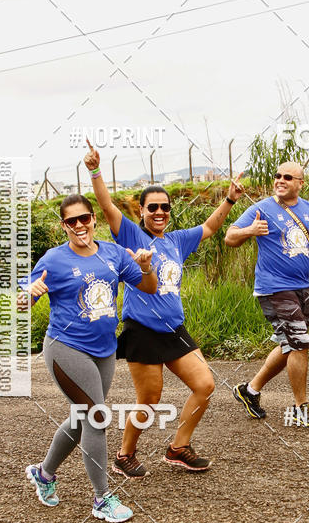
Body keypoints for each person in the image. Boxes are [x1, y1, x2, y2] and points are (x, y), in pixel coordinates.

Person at [84, 141, 245, 476]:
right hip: (142, 329)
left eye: (165, 208)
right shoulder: (130, 235)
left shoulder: (176, 241)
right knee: (150, 400)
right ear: (141, 211)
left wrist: (229, 198)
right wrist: (95, 170)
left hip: (175, 328)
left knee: (205, 385)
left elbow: (211, 227)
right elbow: (105, 205)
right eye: (152, 207)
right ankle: (125, 454)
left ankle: (178, 447)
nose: (159, 213)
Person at [20, 194, 157, 523]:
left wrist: (145, 267)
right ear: (64, 225)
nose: (79, 225)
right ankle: (101, 499)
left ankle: (44, 473)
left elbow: (150, 287)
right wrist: (29, 297)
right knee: (97, 417)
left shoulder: (112, 252)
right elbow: (21, 302)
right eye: (71, 221)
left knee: (82, 417)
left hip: (105, 350)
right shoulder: (53, 260)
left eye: (84, 218)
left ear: (93, 219)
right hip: (65, 348)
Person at [225, 162, 309, 426]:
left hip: (300, 288)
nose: (280, 180)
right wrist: (250, 231)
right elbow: (230, 236)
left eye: (288, 177)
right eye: (277, 176)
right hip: (273, 287)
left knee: (290, 344)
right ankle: (301, 408)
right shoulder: (261, 208)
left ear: (300, 183)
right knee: (300, 343)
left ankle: (249, 391)